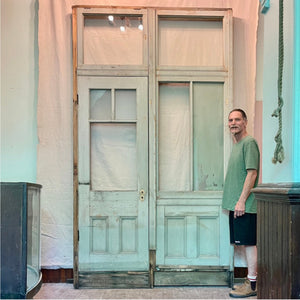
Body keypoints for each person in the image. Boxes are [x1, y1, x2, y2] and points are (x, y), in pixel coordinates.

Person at [222, 109, 260, 298]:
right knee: (243, 243)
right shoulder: (237, 144)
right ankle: (249, 280)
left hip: (244, 204)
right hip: (236, 204)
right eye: (230, 120)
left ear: (245, 121)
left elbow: (251, 173)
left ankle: (253, 285)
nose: (233, 123)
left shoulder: (249, 143)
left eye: (237, 119)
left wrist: (241, 201)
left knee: (249, 243)